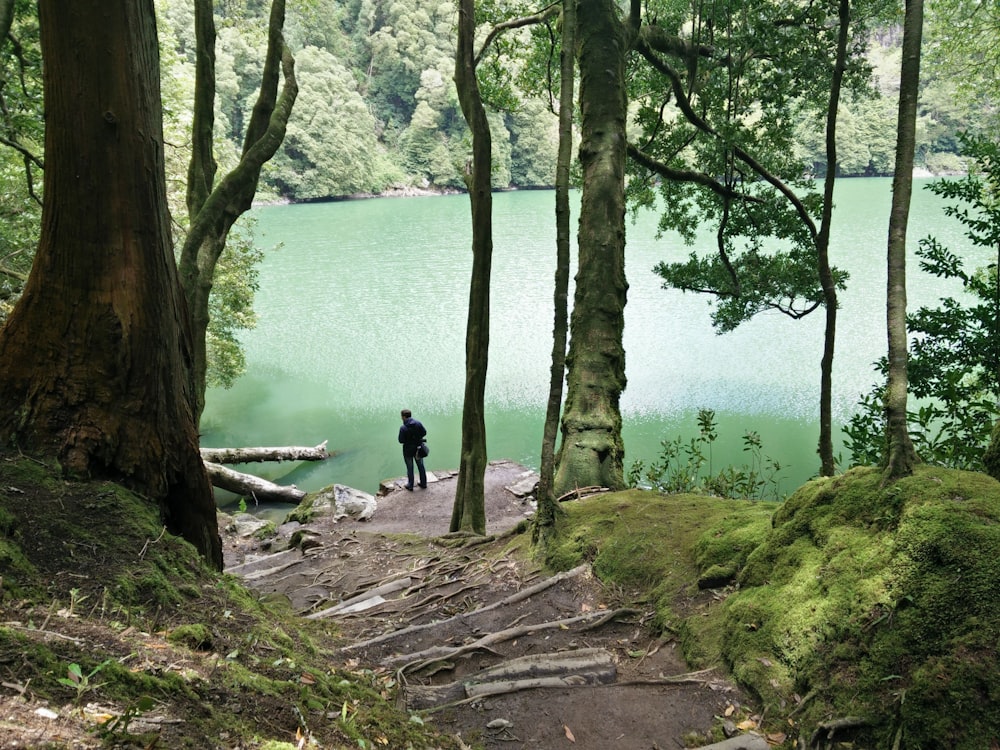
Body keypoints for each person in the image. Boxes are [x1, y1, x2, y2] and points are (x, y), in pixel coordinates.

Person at [398, 409, 427, 490]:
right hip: (418, 448)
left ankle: (410, 485)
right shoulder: (418, 423)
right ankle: (423, 483)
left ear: (403, 417)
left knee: (410, 468)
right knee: (421, 466)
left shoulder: (403, 428)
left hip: (408, 451)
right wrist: (418, 438)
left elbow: (401, 440)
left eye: (401, 416)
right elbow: (424, 432)